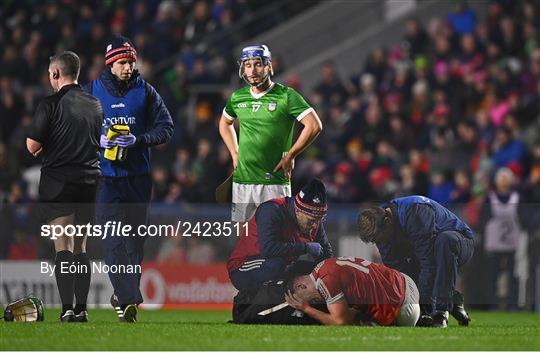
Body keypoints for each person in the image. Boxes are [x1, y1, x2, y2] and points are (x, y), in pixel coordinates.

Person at [85, 35, 174, 322]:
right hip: (105, 181)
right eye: (123, 62)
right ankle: (127, 298)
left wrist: (139, 139)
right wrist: (98, 140)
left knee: (135, 242)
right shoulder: (91, 92)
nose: (128, 67)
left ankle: (121, 296)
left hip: (138, 179)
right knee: (111, 239)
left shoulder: (146, 92)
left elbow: (166, 127)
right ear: (110, 65)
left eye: (131, 62)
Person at [26, 51, 102, 322]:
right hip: (89, 181)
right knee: (81, 246)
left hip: (60, 182)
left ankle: (67, 309)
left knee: (63, 245)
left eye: (50, 75)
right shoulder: (95, 104)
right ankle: (82, 310)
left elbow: (33, 145)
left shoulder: (50, 104)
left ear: (56, 74)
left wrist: (49, 146)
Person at [219, 44, 323, 222]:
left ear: (268, 65)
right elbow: (224, 123)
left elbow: (314, 125)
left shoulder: (286, 96)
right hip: (243, 180)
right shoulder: (237, 97)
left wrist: (291, 154)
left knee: (274, 238)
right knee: (244, 239)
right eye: (248, 65)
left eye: (258, 64)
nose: (253, 70)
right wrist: (234, 153)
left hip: (274, 181)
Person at [357, 195, 474, 328]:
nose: (380, 243)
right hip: (432, 252)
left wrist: (424, 311)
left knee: (444, 242)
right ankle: (453, 299)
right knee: (407, 276)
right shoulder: (380, 226)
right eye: (375, 240)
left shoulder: (415, 213)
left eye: (379, 238)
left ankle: (441, 312)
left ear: (388, 220)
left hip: (461, 242)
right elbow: (401, 275)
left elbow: (429, 264)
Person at [227, 179, 333, 292]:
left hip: (281, 266)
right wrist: (305, 247)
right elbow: (268, 249)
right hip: (243, 267)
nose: (315, 225)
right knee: (277, 264)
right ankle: (252, 304)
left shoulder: (313, 219)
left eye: (319, 220)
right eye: (311, 221)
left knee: (317, 271)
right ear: (298, 211)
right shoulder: (271, 210)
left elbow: (327, 255)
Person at [285, 257, 420, 326]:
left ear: (301, 286)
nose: (316, 302)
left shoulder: (324, 281)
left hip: (403, 309)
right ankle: (426, 318)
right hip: (406, 280)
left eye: (312, 300)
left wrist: (306, 308)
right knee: (357, 314)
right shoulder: (325, 265)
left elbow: (341, 322)